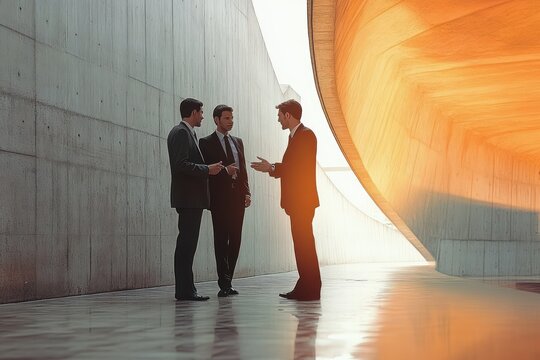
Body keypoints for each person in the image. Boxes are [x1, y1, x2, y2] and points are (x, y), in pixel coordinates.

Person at [251, 99, 322, 301]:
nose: (278, 119)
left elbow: (298, 169)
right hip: (298, 202)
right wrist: (274, 168)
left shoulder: (306, 136)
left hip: (302, 202)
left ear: (288, 115)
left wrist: (272, 168)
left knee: (304, 244)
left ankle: (310, 289)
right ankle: (306, 287)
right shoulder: (295, 136)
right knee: (302, 245)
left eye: (280, 115)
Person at [167, 98, 223, 301]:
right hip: (189, 199)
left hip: (191, 199)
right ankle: (185, 291)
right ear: (192, 113)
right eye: (200, 112)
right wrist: (207, 169)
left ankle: (186, 289)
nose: (202, 116)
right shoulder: (181, 133)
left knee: (187, 245)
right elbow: (181, 164)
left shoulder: (185, 133)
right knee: (186, 245)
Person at [199, 105, 251, 297]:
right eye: (226, 118)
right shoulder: (205, 143)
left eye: (232, 118)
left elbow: (243, 170)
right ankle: (223, 283)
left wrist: (247, 192)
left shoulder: (238, 142)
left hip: (238, 199)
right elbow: (205, 170)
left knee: (236, 239)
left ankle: (229, 280)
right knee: (221, 239)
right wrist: (224, 171)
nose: (230, 121)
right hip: (219, 199)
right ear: (216, 120)